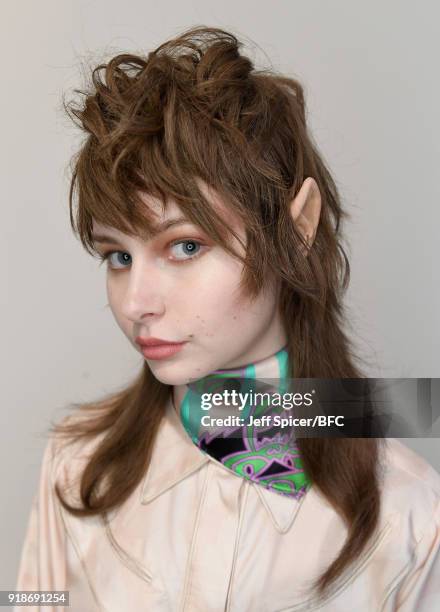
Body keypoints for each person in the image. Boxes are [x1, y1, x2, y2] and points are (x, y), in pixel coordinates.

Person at [15, 25, 440, 611]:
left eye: (185, 246)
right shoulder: (75, 462)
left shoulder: (413, 516)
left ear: (298, 229)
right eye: (118, 255)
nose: (136, 302)